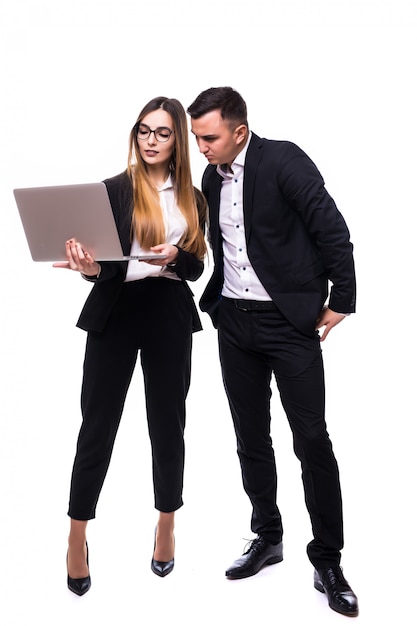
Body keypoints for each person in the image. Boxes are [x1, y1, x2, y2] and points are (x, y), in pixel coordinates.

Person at [187, 87, 358, 617]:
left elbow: (332, 229)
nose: (202, 149)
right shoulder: (211, 180)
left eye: (209, 138)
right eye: (196, 139)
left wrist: (341, 300)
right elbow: (220, 247)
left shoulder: (284, 159)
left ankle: (327, 559)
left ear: (239, 131)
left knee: (311, 439)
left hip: (289, 324)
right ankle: (268, 535)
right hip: (234, 323)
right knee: (250, 436)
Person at [54, 97, 207, 595]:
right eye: (144, 130)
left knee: (168, 425)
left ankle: (167, 522)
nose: (150, 140)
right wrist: (88, 267)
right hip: (116, 310)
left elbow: (196, 267)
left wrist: (176, 257)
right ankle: (77, 534)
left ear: (176, 140)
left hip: (167, 312)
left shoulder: (193, 197)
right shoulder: (112, 190)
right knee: (97, 425)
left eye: (162, 133)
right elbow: (106, 263)